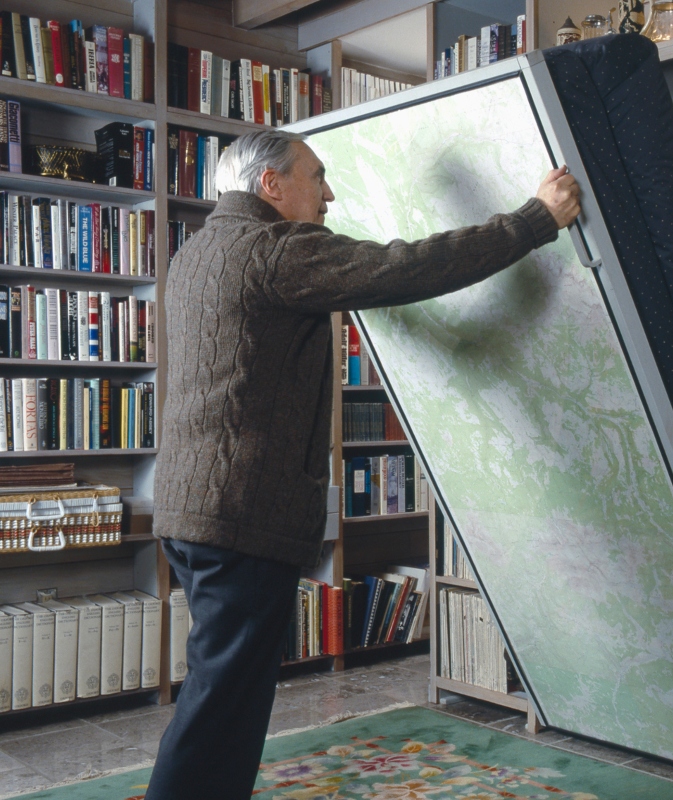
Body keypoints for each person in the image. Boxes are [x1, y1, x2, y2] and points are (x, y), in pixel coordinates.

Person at [146, 129, 580, 800]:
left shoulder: (197, 252)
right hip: (239, 514)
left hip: (191, 511)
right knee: (219, 708)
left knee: (219, 698)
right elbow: (405, 268)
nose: (329, 193)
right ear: (271, 186)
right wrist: (532, 220)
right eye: (316, 177)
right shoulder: (275, 249)